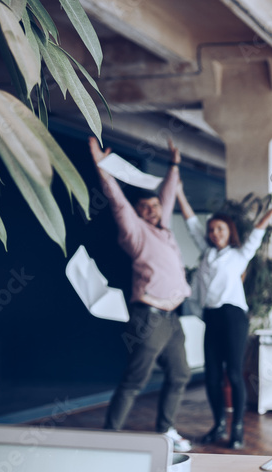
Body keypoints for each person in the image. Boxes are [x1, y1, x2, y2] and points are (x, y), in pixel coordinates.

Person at [90, 137, 193, 452]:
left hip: (173, 317)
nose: (150, 209)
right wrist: (101, 166)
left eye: (154, 205)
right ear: (137, 213)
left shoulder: (165, 229)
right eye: (143, 207)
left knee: (181, 374)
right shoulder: (135, 233)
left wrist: (174, 164)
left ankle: (165, 430)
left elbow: (168, 195)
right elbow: (117, 200)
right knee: (135, 380)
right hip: (149, 317)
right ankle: (110, 437)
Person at [177, 186, 272, 447]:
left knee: (234, 374)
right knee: (213, 375)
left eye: (221, 229)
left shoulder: (240, 255)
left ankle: (236, 429)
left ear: (230, 232)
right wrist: (180, 192)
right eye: (212, 230)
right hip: (211, 317)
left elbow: (260, 229)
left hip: (234, 317)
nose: (215, 234)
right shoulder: (206, 253)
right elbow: (190, 220)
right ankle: (218, 426)